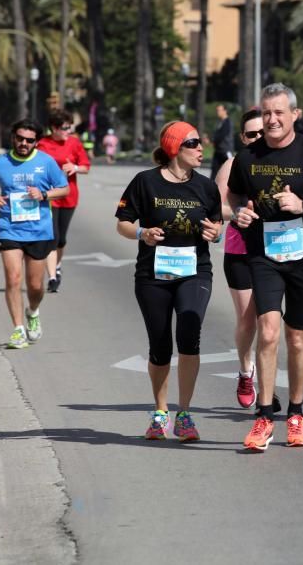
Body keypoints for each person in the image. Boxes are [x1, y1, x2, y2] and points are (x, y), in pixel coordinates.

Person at [228, 83, 303, 451]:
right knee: (267, 331)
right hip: (262, 254)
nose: (272, 119)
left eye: (279, 112)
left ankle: (296, 413)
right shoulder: (248, 156)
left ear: (295, 115)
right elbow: (233, 194)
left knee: (296, 336)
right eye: (266, 112)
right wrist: (239, 212)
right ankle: (265, 416)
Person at [115, 121, 223, 441]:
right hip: (153, 275)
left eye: (201, 142)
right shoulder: (145, 182)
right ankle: (161, 412)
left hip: (194, 271)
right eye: (193, 143)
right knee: (160, 345)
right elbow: (122, 223)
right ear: (175, 147)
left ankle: (185, 414)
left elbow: (216, 227)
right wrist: (142, 233)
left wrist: (215, 234)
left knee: (189, 334)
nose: (201, 148)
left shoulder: (206, 187)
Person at [0, 120, 69, 349]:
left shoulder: (45, 162)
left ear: (36, 142)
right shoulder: (0, 162)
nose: (23, 143)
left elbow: (64, 188)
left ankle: (33, 310)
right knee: (13, 279)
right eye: (20, 138)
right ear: (13, 137)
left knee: (35, 286)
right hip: (9, 227)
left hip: (39, 230)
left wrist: (44, 194)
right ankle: (18, 329)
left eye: (29, 140)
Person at [214, 108, 281, 414]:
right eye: (251, 134)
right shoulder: (233, 165)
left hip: (274, 251)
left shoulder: (280, 163)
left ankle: (268, 388)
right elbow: (218, 208)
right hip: (240, 250)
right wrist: (240, 209)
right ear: (243, 137)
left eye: (261, 133)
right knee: (248, 320)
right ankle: (245, 372)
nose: (257, 138)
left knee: (270, 322)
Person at [37, 109, 91, 293]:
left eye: (69, 127)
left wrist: (75, 167)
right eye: (64, 127)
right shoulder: (43, 144)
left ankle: (57, 266)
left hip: (69, 195)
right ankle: (52, 277)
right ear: (53, 128)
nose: (68, 130)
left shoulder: (74, 143)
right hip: (49, 197)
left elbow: (86, 167)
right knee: (52, 237)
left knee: (61, 239)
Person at [210, 104, 233, 177]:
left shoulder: (227, 122)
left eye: (219, 110)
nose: (217, 112)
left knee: (231, 170)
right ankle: (212, 187)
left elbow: (222, 135)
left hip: (225, 151)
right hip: (218, 151)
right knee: (214, 171)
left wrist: (214, 140)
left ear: (225, 111)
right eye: (217, 110)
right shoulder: (219, 122)